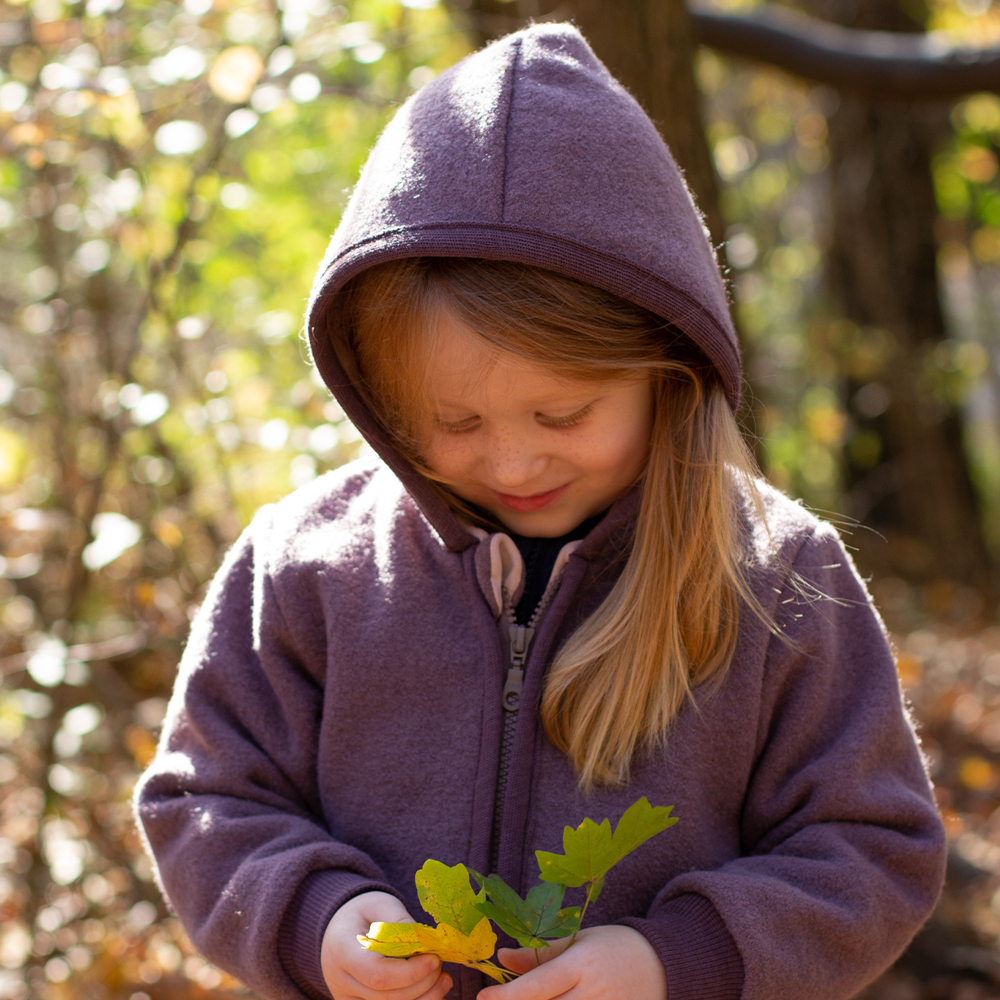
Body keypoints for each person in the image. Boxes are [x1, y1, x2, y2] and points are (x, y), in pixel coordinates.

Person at [134, 22, 947, 1000]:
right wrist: (318, 918)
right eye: (454, 420)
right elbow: (206, 797)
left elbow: (870, 846)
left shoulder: (776, 575)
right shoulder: (304, 567)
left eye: (562, 414)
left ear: (669, 374)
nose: (512, 459)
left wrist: (671, 962)